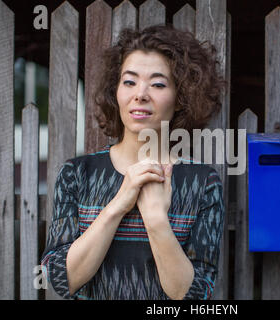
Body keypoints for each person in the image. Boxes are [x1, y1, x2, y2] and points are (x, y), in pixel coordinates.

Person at [40, 24, 227, 300]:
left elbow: (193, 295)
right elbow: (61, 280)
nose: (140, 94)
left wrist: (156, 220)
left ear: (180, 98)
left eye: (158, 84)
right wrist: (118, 205)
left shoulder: (202, 183)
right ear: (116, 92)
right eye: (129, 81)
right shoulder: (77, 174)